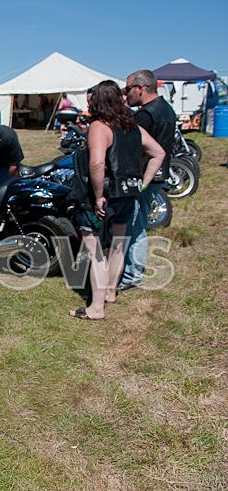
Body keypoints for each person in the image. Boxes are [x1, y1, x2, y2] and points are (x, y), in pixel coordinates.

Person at [67, 80, 165, 321]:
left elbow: (97, 163)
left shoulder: (100, 126)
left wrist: (99, 196)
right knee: (119, 245)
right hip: (129, 194)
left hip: (105, 195)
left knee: (95, 250)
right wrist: (142, 183)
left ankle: (96, 308)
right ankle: (110, 292)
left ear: (99, 101)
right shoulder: (132, 126)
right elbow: (159, 153)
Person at [120, 70, 177, 291]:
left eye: (128, 90)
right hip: (155, 176)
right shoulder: (166, 108)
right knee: (138, 223)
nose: (126, 95)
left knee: (134, 227)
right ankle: (132, 272)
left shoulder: (146, 115)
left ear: (141, 88)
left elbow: (136, 148)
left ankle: (131, 276)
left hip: (143, 177)